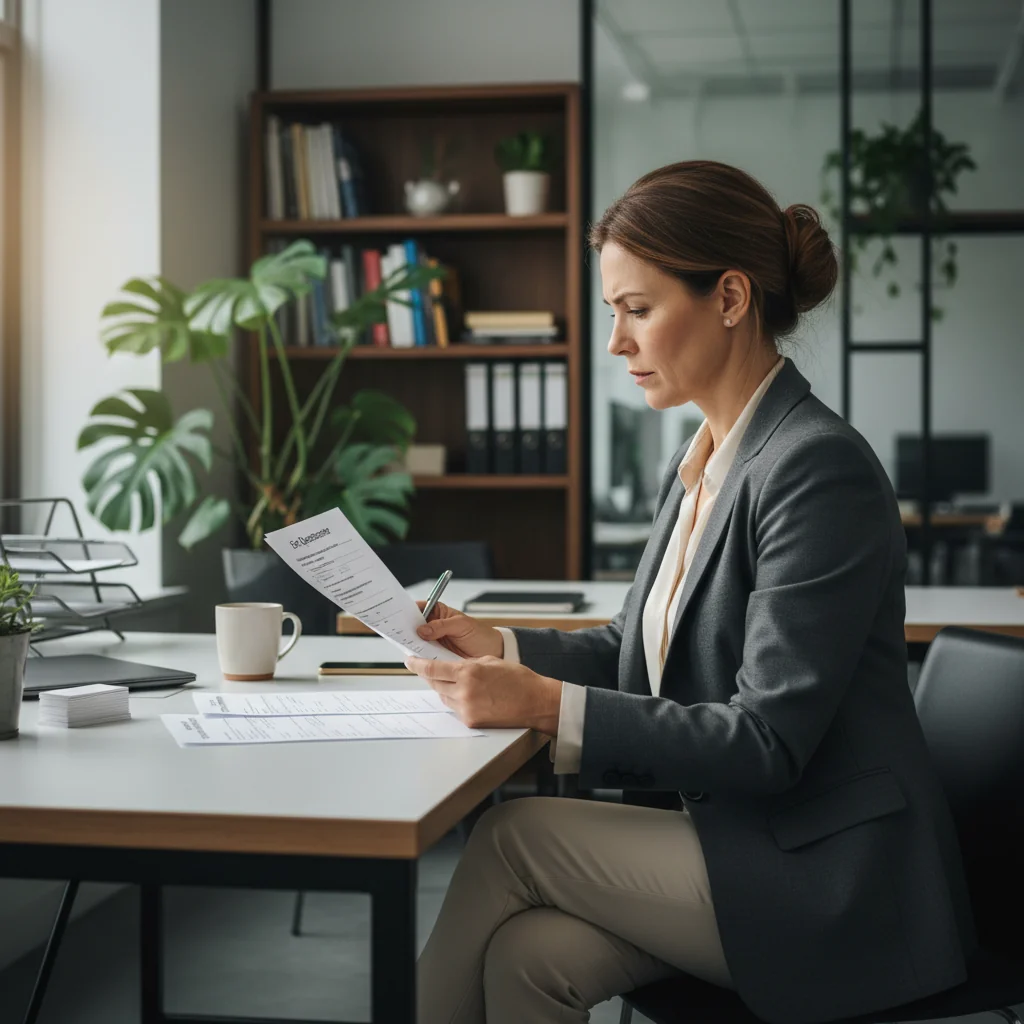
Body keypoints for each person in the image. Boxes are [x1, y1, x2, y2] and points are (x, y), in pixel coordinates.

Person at [404, 160, 975, 1024]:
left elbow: (766, 741)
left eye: (638, 310)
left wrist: (549, 705)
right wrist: (504, 649)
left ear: (732, 298)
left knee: (510, 838)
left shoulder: (815, 468)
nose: (616, 344)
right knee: (531, 958)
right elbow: (636, 650)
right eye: (613, 314)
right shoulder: (707, 457)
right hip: (737, 843)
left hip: (830, 874)